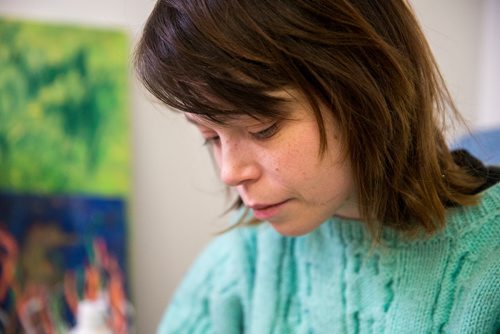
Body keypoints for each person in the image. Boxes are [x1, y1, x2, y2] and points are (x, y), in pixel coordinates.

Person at [135, 0, 500, 332]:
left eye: (263, 129)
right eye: (211, 137)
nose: (229, 173)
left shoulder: (488, 263)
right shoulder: (246, 252)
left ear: (367, 90)